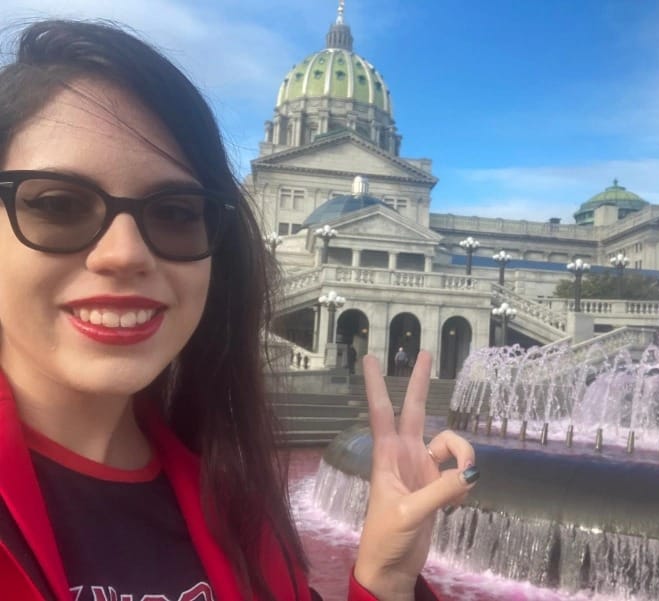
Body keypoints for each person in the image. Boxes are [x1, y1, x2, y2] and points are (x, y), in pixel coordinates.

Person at [0, 20, 479, 601]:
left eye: (175, 211)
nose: (124, 254)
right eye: (56, 204)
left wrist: (385, 579)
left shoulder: (238, 506)